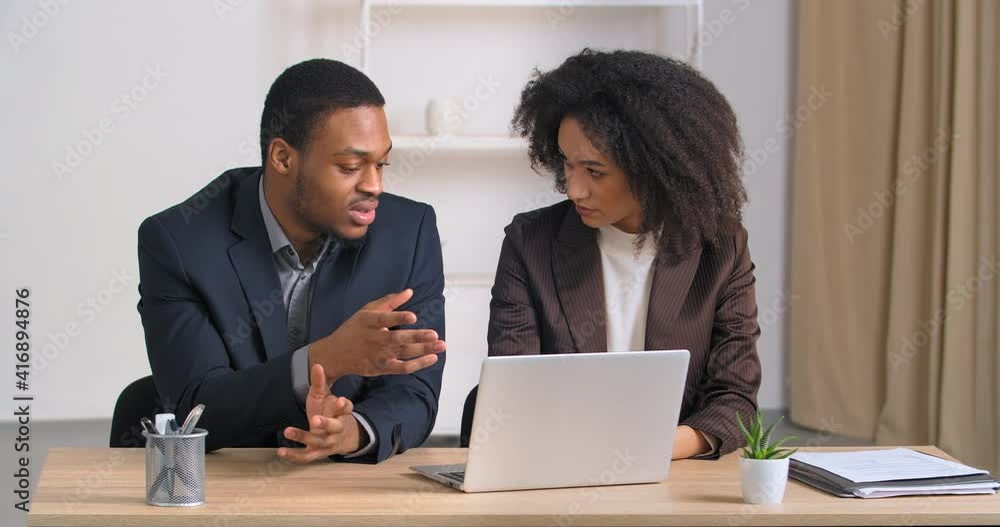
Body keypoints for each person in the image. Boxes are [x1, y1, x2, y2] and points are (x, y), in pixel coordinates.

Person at [137, 59, 446, 463]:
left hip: (346, 491)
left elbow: (415, 390)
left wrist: (352, 433)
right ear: (282, 157)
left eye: (381, 163)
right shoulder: (179, 242)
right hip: (223, 489)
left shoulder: (409, 231)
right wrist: (326, 359)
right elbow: (196, 408)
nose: (374, 185)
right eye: (350, 167)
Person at [487, 49, 761, 459]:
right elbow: (514, 389)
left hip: (675, 469)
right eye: (567, 165)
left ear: (656, 168)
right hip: (554, 463)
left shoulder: (720, 248)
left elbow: (735, 399)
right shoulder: (531, 242)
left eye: (594, 172)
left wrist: (647, 448)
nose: (574, 189)